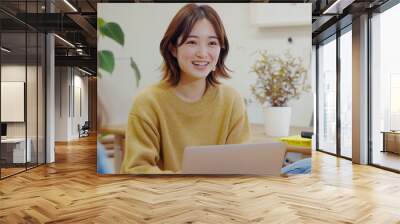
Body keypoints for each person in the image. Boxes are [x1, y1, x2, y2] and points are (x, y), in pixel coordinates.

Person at [120, 4, 251, 174]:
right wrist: (188, 182)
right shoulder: (148, 102)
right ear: (173, 49)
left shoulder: (232, 100)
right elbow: (136, 170)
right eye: (191, 42)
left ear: (221, 49)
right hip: (164, 198)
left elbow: (242, 165)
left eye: (212, 43)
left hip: (220, 196)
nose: (203, 53)